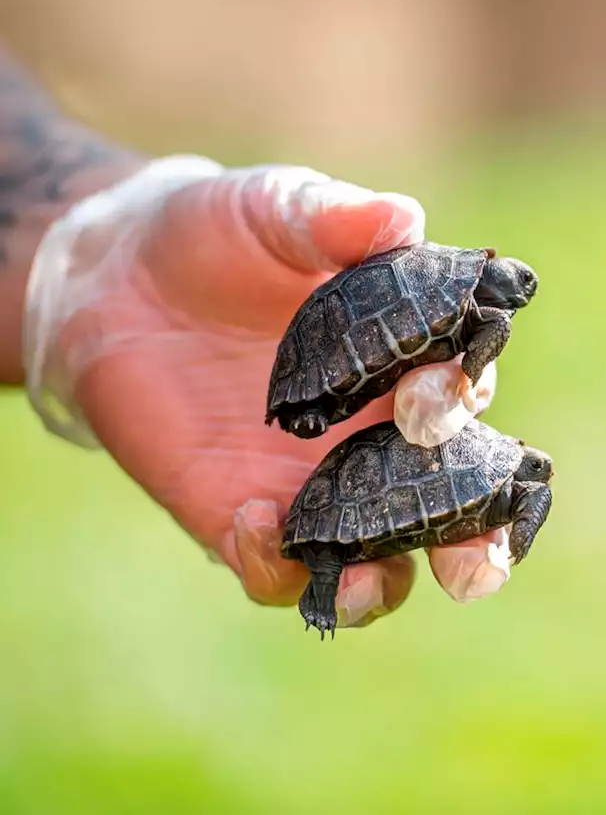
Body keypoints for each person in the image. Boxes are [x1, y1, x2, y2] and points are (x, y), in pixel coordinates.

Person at [0, 43, 512, 631]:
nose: (516, 293)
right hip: (327, 364)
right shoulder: (470, 303)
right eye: (509, 282)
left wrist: (108, 247)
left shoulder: (464, 307)